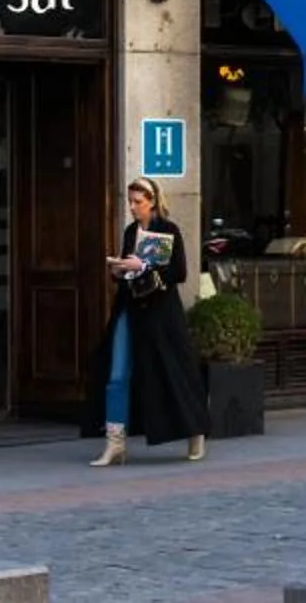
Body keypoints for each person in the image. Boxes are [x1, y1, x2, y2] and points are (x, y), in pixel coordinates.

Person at [89, 176, 211, 466]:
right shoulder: (131, 231)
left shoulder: (168, 230)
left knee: (174, 372)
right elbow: (128, 271)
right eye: (130, 201)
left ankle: (195, 431)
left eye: (138, 202)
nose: (132, 207)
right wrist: (119, 270)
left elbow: (179, 272)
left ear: (152, 202)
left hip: (161, 314)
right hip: (130, 308)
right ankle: (115, 444)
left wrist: (143, 265)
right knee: (116, 374)